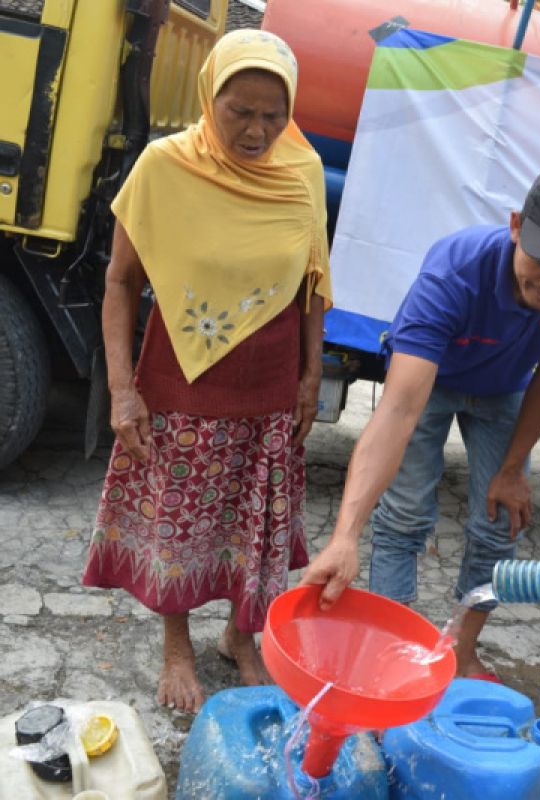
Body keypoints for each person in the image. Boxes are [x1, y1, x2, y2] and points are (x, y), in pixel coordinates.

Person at [83, 31, 331, 714]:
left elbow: (312, 282)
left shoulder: (300, 169)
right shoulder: (165, 167)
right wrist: (123, 391)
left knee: (257, 523)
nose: (257, 131)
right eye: (240, 111)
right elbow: (121, 280)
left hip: (272, 380)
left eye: (272, 115)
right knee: (180, 523)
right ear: (209, 97)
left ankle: (240, 636)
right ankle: (176, 645)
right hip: (182, 379)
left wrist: (311, 375)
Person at [300, 165, 540, 681]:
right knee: (403, 517)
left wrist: (513, 467)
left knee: (498, 529)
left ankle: (458, 647)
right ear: (516, 225)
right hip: (432, 381)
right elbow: (399, 410)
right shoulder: (454, 271)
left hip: (506, 389)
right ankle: (389, 648)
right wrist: (345, 536)